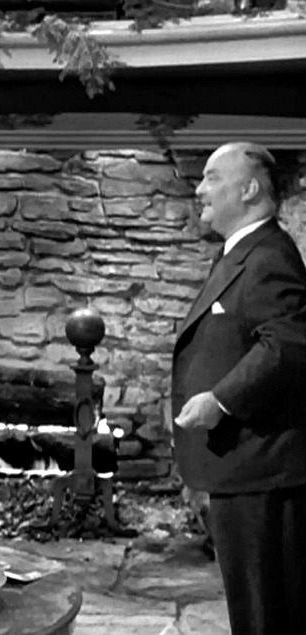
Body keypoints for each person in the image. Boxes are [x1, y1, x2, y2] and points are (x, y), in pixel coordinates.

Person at [173, 141, 306, 635]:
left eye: (212, 177)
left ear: (249, 189)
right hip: (244, 472)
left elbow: (288, 344)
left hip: (263, 473)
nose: (199, 189)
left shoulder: (269, 256)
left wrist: (221, 399)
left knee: (266, 615)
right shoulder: (240, 252)